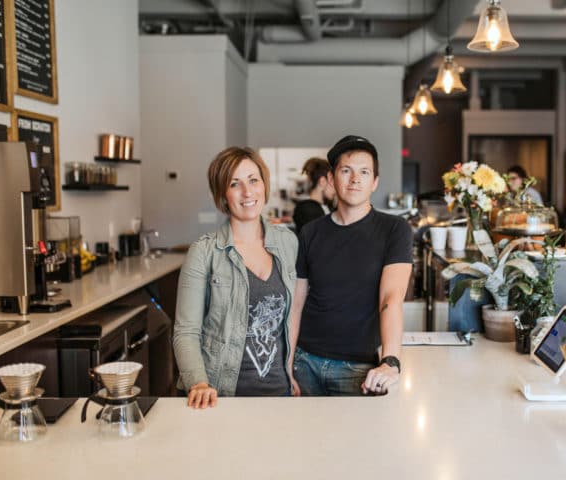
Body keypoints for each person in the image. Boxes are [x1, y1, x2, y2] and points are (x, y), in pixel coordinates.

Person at [173, 146, 298, 408]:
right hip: (222, 396)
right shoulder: (204, 252)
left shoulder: (288, 243)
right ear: (222, 194)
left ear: (264, 184)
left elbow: (294, 316)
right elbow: (186, 331)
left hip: (280, 394)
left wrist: (292, 370)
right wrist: (198, 383)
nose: (247, 192)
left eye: (254, 180)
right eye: (235, 183)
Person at [288, 135, 413, 396]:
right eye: (346, 170)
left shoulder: (394, 230)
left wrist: (390, 361)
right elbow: (296, 304)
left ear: (374, 182)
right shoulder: (310, 232)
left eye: (364, 172)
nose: (355, 179)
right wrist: (287, 365)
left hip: (357, 368)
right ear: (331, 179)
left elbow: (391, 299)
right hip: (305, 362)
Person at [292, 157, 336, 234]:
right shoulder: (308, 209)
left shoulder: (325, 206)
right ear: (322, 182)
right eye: (332, 182)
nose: (335, 188)